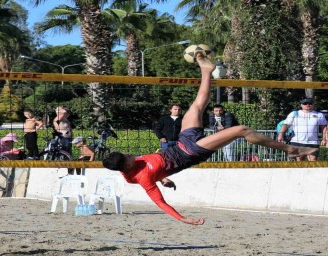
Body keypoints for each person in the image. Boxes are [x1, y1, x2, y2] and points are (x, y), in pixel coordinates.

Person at [102, 57, 316, 225]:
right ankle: (290, 149)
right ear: (126, 164)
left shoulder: (126, 168)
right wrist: (182, 218)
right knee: (241, 130)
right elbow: (159, 202)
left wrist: (164, 177)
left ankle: (205, 69)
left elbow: (154, 170)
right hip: (192, 152)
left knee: (196, 106)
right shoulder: (141, 177)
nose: (131, 155)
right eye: (128, 157)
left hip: (181, 142)